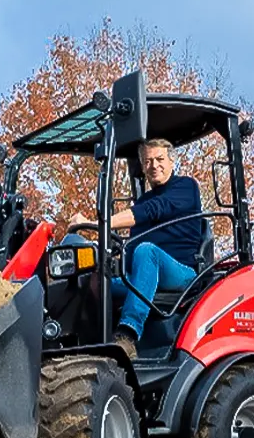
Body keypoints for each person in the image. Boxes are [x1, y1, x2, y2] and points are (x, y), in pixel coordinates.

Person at [70, 138, 202, 358]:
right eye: (148, 161)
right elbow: (130, 247)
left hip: (181, 273)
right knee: (92, 282)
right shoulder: (143, 201)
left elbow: (152, 211)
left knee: (146, 250)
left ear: (171, 162)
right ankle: (78, 342)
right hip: (142, 275)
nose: (154, 165)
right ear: (142, 166)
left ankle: (128, 334)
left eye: (160, 159)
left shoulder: (185, 187)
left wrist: (96, 224)